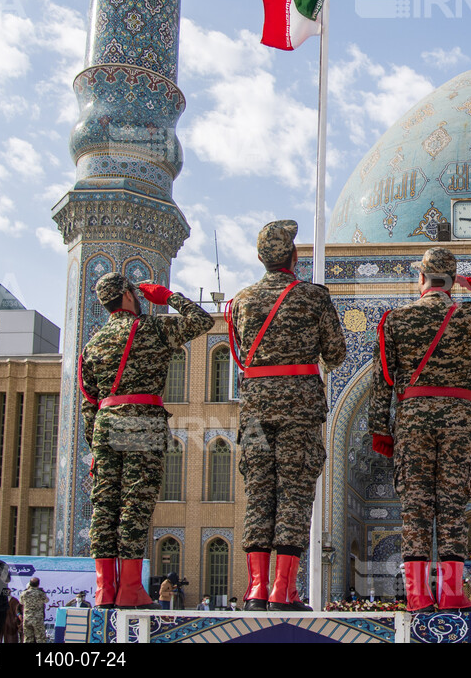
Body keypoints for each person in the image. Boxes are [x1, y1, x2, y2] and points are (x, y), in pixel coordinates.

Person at [371, 247, 471, 612]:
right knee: (452, 506)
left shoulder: (397, 319)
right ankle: (452, 594)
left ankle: (417, 596)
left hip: (413, 419)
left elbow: (382, 380)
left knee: (414, 507)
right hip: (459, 419)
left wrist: (380, 428)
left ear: (421, 279)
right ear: (452, 281)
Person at [227, 220, 346, 612]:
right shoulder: (312, 297)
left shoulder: (240, 301)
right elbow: (336, 354)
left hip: (256, 410)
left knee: (259, 493)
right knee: (293, 494)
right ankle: (283, 590)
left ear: (261, 258)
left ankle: (255, 589)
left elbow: (241, 355)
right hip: (299, 408)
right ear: (294, 257)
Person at [80, 271, 215, 608]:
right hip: (143, 419)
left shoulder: (93, 344)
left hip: (106, 425)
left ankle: (103, 589)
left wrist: (95, 442)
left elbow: (88, 401)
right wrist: (167, 297)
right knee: (134, 507)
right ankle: (129, 589)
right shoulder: (152, 328)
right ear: (128, 295)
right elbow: (200, 321)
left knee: (105, 508)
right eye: (135, 293)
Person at [19, 577, 48, 644]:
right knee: (40, 639)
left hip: (27, 619)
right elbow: (46, 600)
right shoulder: (40, 593)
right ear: (38, 584)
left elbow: (21, 602)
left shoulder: (24, 593)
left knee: (28, 639)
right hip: (38, 619)